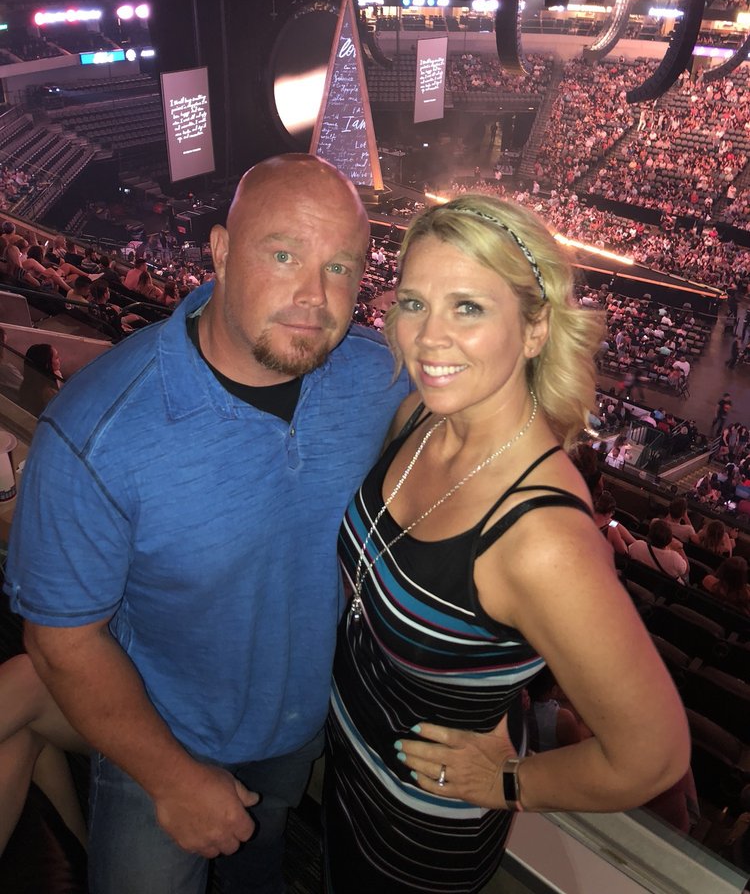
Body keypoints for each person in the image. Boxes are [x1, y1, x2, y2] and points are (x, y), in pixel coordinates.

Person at [3, 154, 410, 894]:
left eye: (340, 268)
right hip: (158, 738)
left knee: (260, 866)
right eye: (283, 255)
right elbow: (61, 641)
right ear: (219, 251)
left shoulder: (376, 375)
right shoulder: (95, 433)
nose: (314, 296)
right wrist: (172, 779)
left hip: (294, 729)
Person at [324, 196, 689, 894]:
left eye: (468, 307)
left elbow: (654, 755)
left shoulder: (542, 540)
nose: (428, 337)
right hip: (345, 758)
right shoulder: (419, 417)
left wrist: (510, 781)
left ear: (534, 329)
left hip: (415, 836)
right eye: (414, 303)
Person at [628, 519, 689, 584]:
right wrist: (680, 548)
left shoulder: (637, 546)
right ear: (669, 541)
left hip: (637, 584)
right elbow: (686, 571)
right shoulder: (674, 558)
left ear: (648, 536)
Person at [18, 343, 63, 416]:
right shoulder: (49, 392)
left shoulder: (28, 384)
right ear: (47, 364)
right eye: (56, 357)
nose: (60, 359)